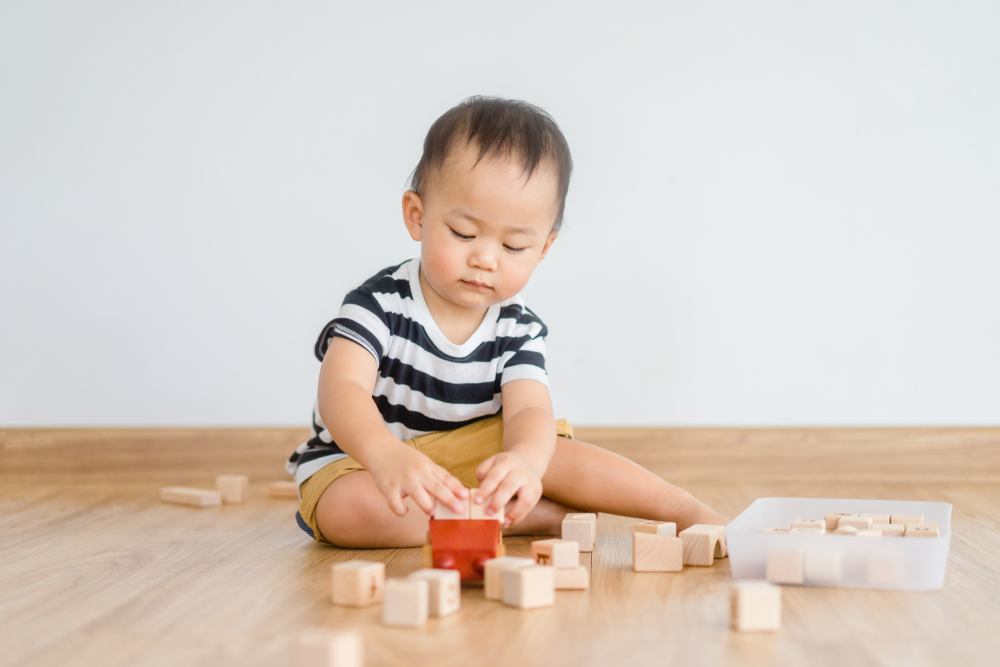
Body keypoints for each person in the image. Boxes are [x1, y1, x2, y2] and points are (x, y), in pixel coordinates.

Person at [287, 96, 727, 548]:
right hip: (362, 461)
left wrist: (526, 463)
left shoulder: (518, 328)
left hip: (475, 459)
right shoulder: (377, 304)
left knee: (548, 450)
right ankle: (521, 517)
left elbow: (529, 411)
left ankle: (678, 506)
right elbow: (342, 390)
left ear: (543, 249)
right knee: (347, 511)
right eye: (463, 233)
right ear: (417, 216)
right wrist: (385, 457)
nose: (485, 258)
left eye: (514, 246)